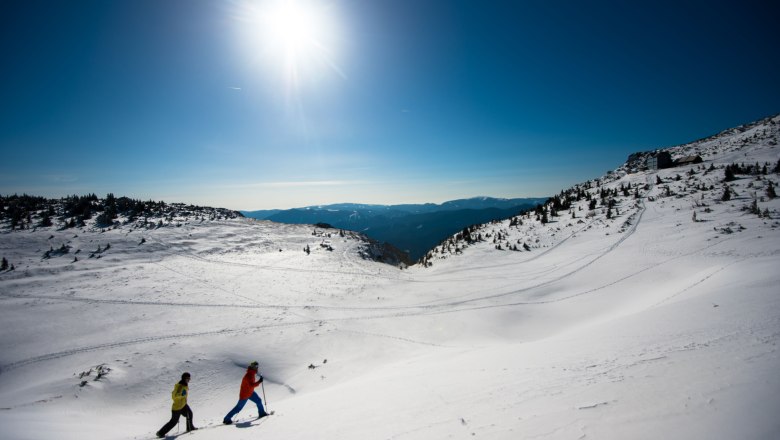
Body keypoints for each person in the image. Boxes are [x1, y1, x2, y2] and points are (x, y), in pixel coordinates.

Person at [156, 372, 197, 438]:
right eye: (188, 378)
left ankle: (190, 428)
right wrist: (181, 395)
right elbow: (174, 396)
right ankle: (160, 433)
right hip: (177, 407)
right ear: (184, 378)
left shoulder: (185, 384)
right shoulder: (179, 386)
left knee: (189, 413)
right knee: (173, 422)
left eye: (189, 378)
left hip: (183, 405)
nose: (189, 380)